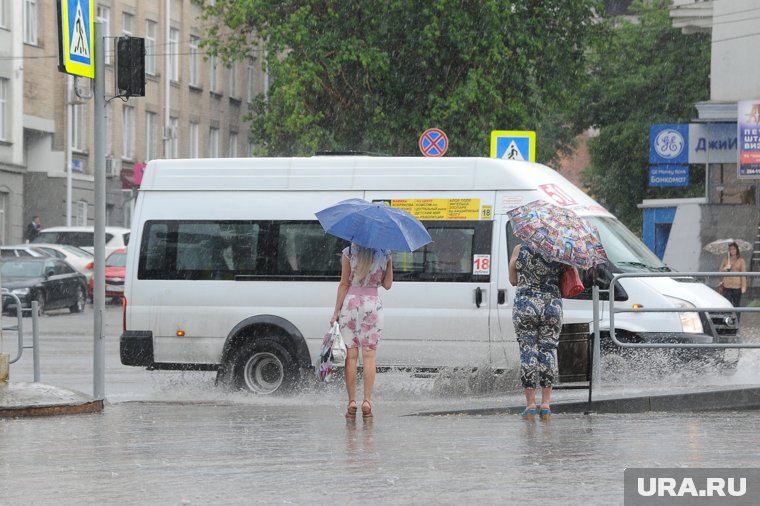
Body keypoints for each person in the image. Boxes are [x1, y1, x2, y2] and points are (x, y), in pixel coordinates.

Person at [331, 243, 393, 421]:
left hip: (350, 304)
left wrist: (336, 312)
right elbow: (387, 285)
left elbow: (344, 284)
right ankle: (367, 401)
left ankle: (351, 402)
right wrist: (388, 262)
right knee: (369, 355)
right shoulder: (385, 252)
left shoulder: (349, 252)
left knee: (351, 355)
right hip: (372, 305)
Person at [508, 243, 564, 421]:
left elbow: (513, 281)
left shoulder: (520, 249)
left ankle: (531, 405)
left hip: (526, 305)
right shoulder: (560, 250)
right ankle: (546, 404)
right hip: (552, 306)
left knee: (528, 351)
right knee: (548, 350)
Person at [719, 242, 747, 310]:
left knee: (736, 305)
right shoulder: (725, 260)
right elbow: (720, 272)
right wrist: (725, 268)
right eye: (731, 249)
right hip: (727, 286)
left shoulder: (741, 260)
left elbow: (744, 274)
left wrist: (744, 286)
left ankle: (736, 319)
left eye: (734, 249)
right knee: (727, 305)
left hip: (737, 286)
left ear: (737, 249)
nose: (732, 250)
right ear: (729, 251)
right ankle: (728, 320)